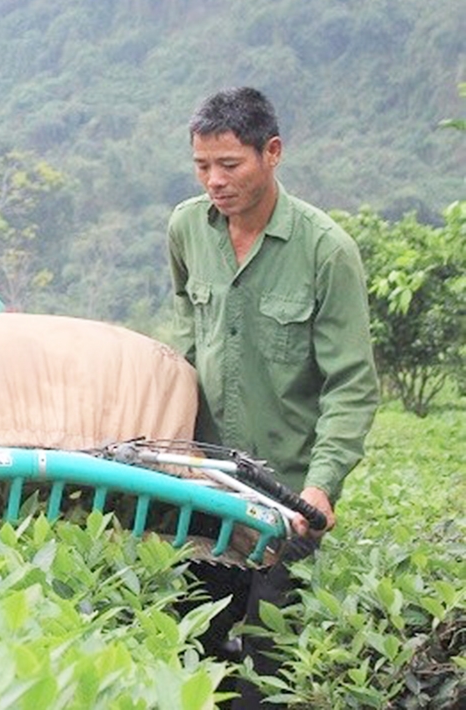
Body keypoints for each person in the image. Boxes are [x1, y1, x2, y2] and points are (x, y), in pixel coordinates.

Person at [167, 87, 380, 707]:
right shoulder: (186, 227)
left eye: (230, 165)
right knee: (192, 650)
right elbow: (185, 328)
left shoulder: (325, 251)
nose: (215, 181)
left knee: (270, 667)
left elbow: (352, 385)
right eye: (202, 166)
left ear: (273, 153)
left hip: (284, 498)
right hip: (199, 487)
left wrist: (321, 487)